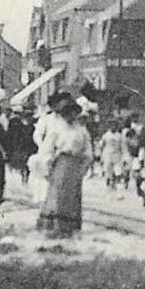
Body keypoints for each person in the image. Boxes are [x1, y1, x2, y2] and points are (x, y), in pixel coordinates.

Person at [36, 98, 93, 237]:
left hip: (76, 163)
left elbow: (87, 149)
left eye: (73, 113)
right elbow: (47, 148)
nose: (70, 116)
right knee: (58, 193)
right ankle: (55, 225)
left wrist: (85, 163)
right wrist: (48, 163)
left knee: (73, 194)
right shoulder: (56, 130)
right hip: (61, 163)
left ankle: (71, 226)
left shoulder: (81, 130)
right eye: (67, 113)